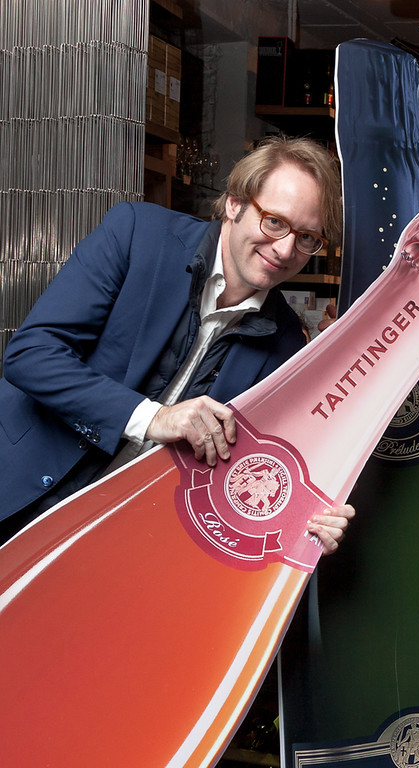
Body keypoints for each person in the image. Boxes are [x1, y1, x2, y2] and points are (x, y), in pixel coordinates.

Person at [0, 134, 353, 551]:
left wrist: (304, 517)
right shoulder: (137, 233)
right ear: (234, 204)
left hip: (124, 545)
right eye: (274, 221)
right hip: (19, 489)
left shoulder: (288, 342)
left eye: (307, 237)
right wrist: (153, 418)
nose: (285, 248)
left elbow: (248, 471)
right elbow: (31, 354)